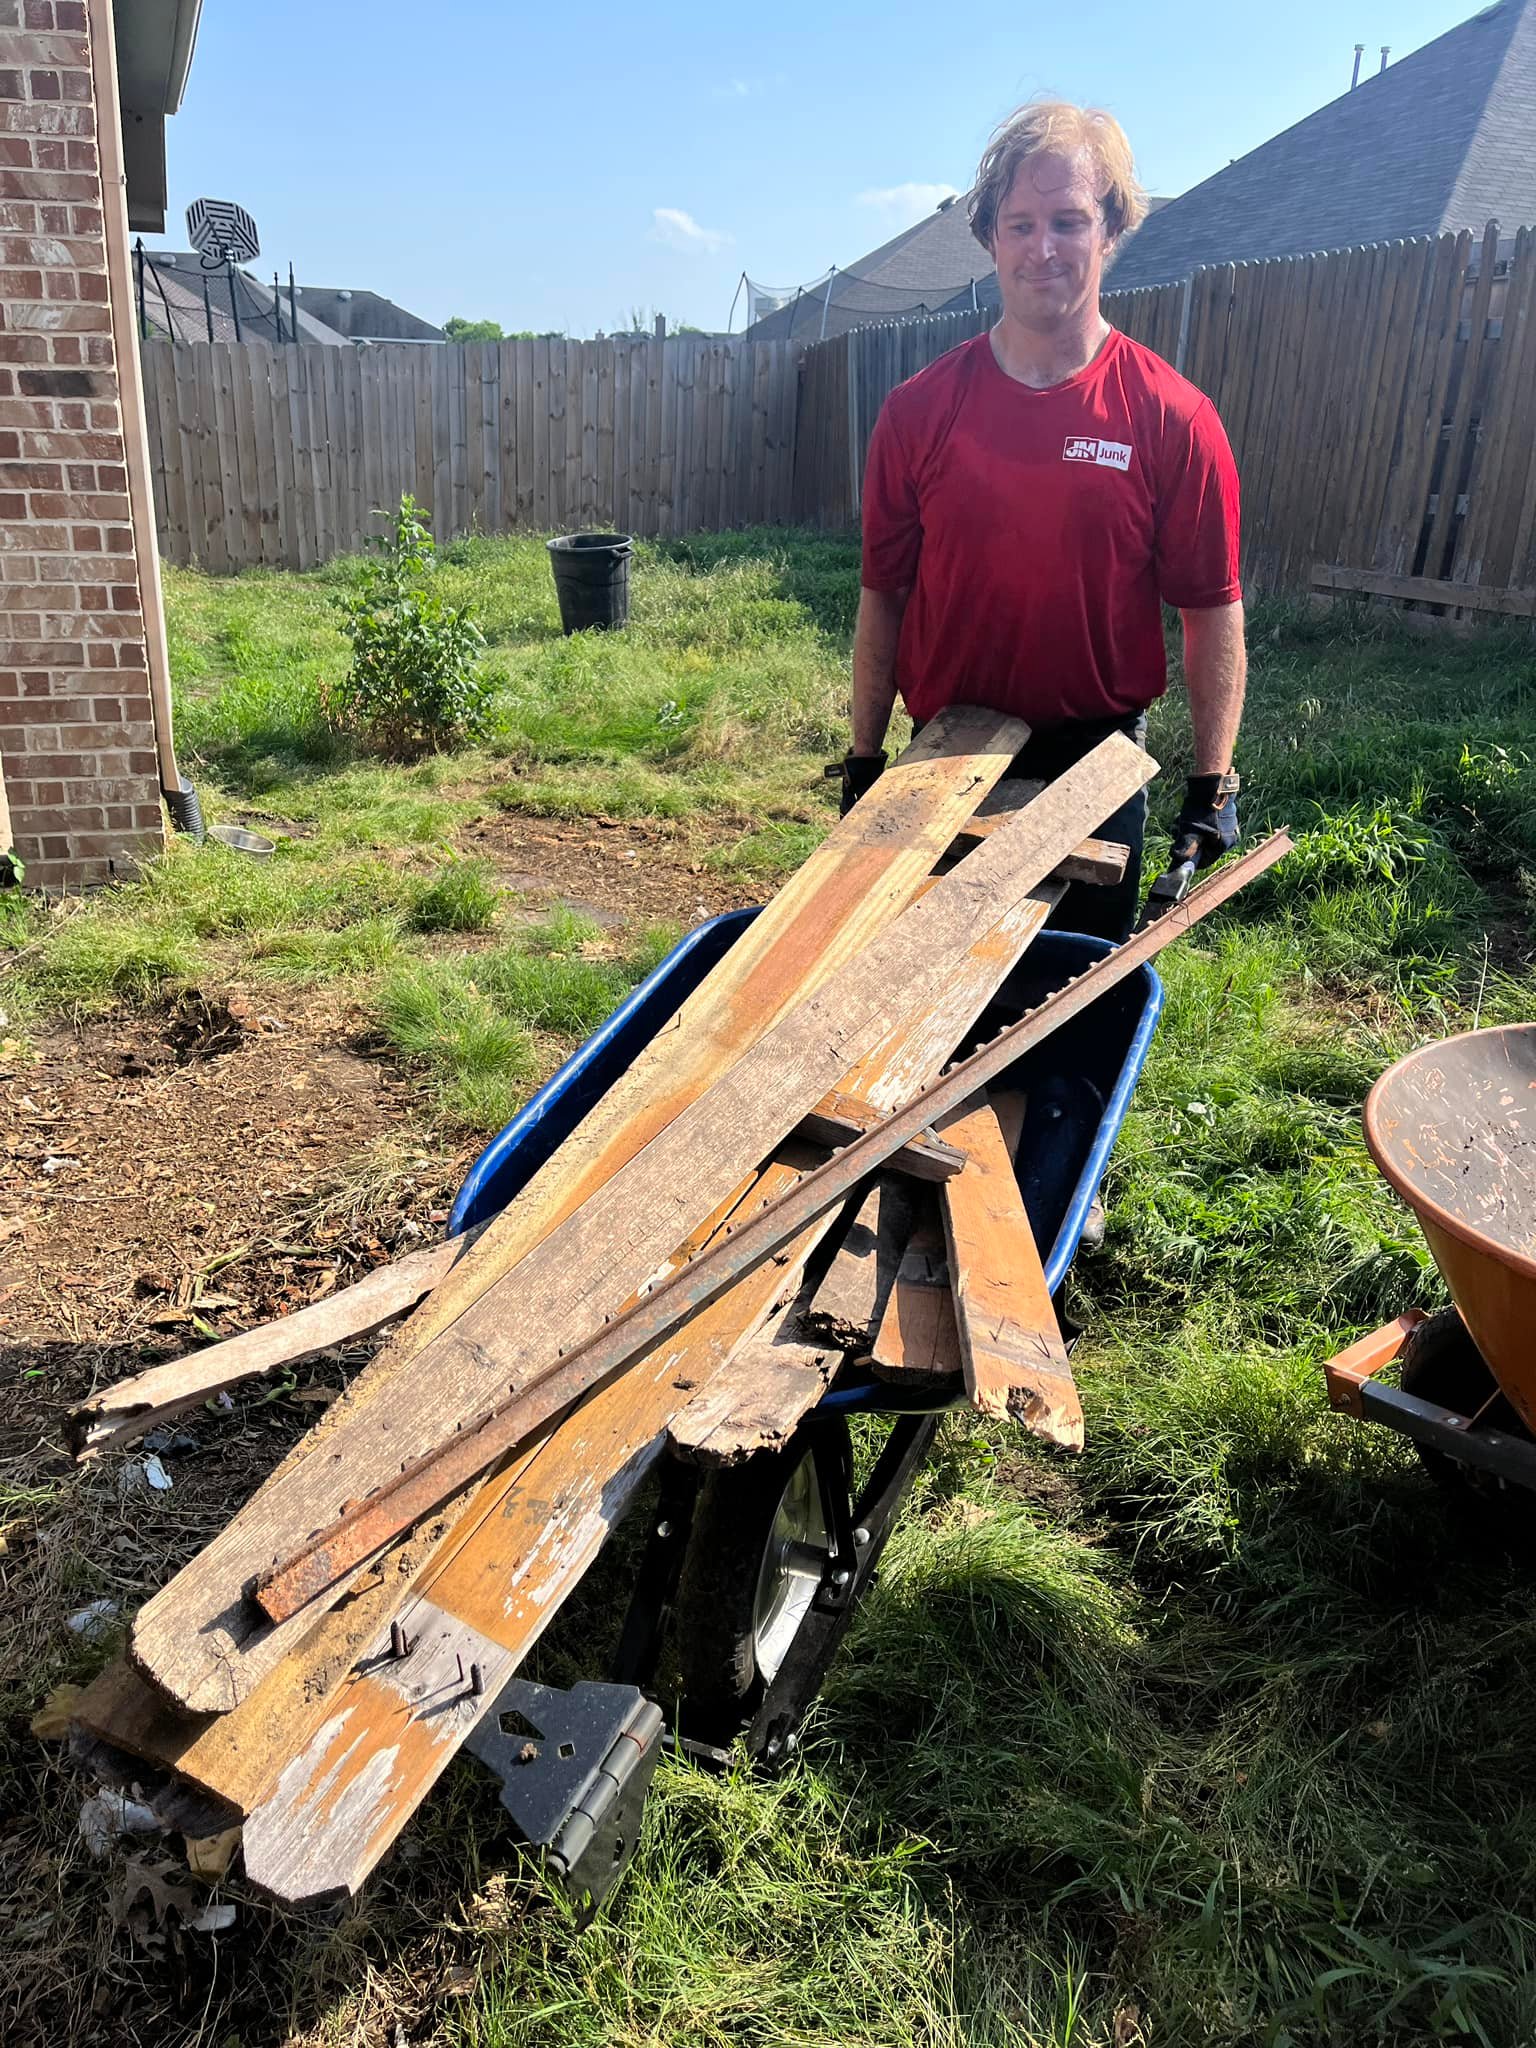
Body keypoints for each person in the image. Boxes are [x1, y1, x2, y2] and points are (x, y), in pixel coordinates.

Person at [839, 100, 1246, 942]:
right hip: (942, 758)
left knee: (1066, 1021)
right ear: (991, 238)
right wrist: (864, 756)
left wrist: (1212, 784)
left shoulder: (1172, 417)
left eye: (1068, 220)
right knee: (912, 1022)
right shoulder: (919, 412)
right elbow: (885, 591)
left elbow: (1211, 610)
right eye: (1020, 224)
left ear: (1111, 231)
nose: (1043, 248)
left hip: (1093, 767)